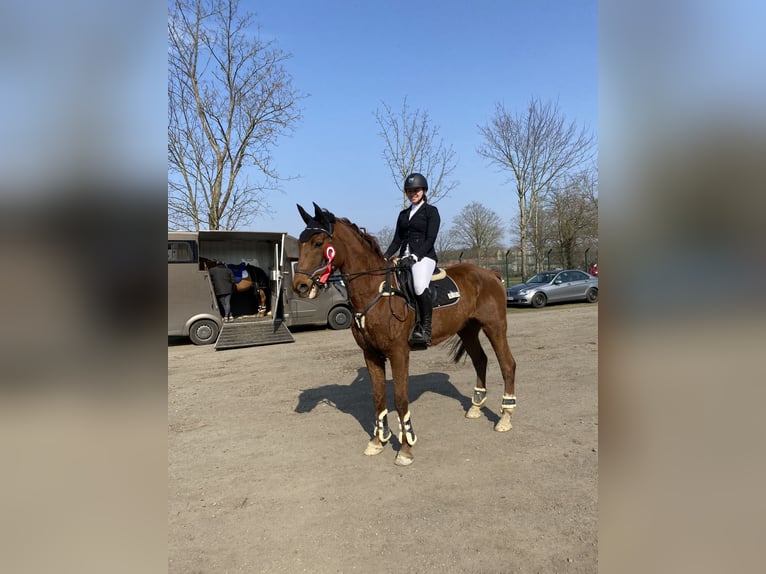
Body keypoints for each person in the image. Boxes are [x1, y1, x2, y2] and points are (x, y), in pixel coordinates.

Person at [383, 173, 441, 347]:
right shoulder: (403, 214)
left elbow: (430, 239)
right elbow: (396, 240)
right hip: (403, 258)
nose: (413, 193)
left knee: (418, 286)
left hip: (424, 257)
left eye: (416, 190)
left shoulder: (431, 212)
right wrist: (384, 257)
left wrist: (415, 256)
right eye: (409, 191)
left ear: (423, 190)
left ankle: (425, 328)